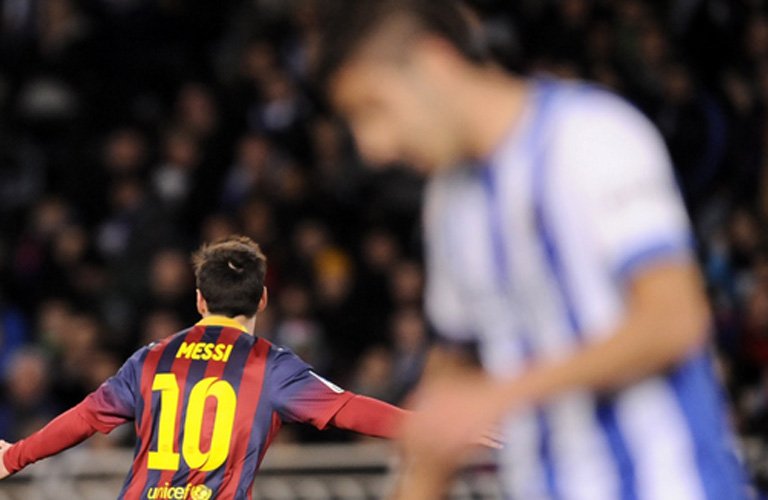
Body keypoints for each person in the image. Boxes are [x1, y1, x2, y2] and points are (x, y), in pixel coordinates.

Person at [316, 1, 750, 499]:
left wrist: (501, 395)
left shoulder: (589, 136)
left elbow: (673, 321)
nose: (372, 146)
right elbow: (454, 372)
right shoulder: (450, 201)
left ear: (434, 63)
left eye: (373, 108)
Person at [0, 235, 405, 499]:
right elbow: (350, 409)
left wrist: (14, 456)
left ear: (200, 299)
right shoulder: (271, 367)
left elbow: (85, 418)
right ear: (262, 299)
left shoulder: (150, 359)